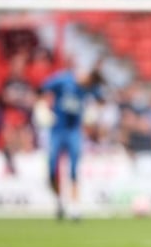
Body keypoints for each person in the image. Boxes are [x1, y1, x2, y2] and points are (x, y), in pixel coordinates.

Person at [38, 66, 104, 220]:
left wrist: (93, 114)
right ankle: (59, 200)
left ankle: (74, 206)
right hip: (57, 129)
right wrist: (43, 108)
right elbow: (42, 89)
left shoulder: (89, 87)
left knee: (74, 169)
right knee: (52, 169)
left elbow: (101, 99)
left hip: (74, 131)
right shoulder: (64, 80)